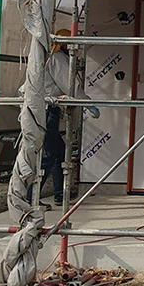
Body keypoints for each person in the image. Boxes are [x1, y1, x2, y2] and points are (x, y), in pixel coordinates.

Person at [28, 29, 100, 209]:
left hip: (41, 108)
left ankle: (60, 193)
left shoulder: (47, 57)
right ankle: (30, 198)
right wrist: (87, 103)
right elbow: (69, 85)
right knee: (48, 154)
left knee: (58, 152)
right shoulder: (57, 57)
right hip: (45, 110)